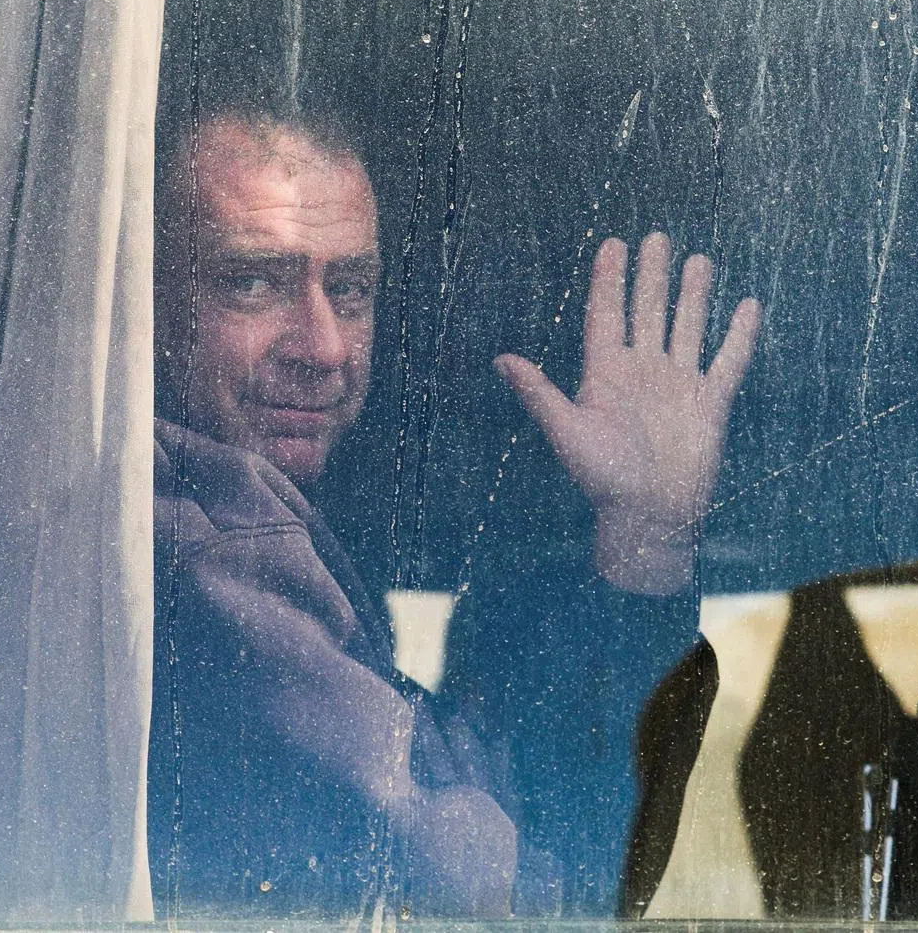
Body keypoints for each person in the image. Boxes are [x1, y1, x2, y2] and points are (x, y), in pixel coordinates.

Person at [149, 108, 762, 918]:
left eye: (351, 288)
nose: (325, 346)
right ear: (146, 295)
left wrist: (643, 531)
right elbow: (531, 898)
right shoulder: (209, 536)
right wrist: (645, 538)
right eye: (252, 282)